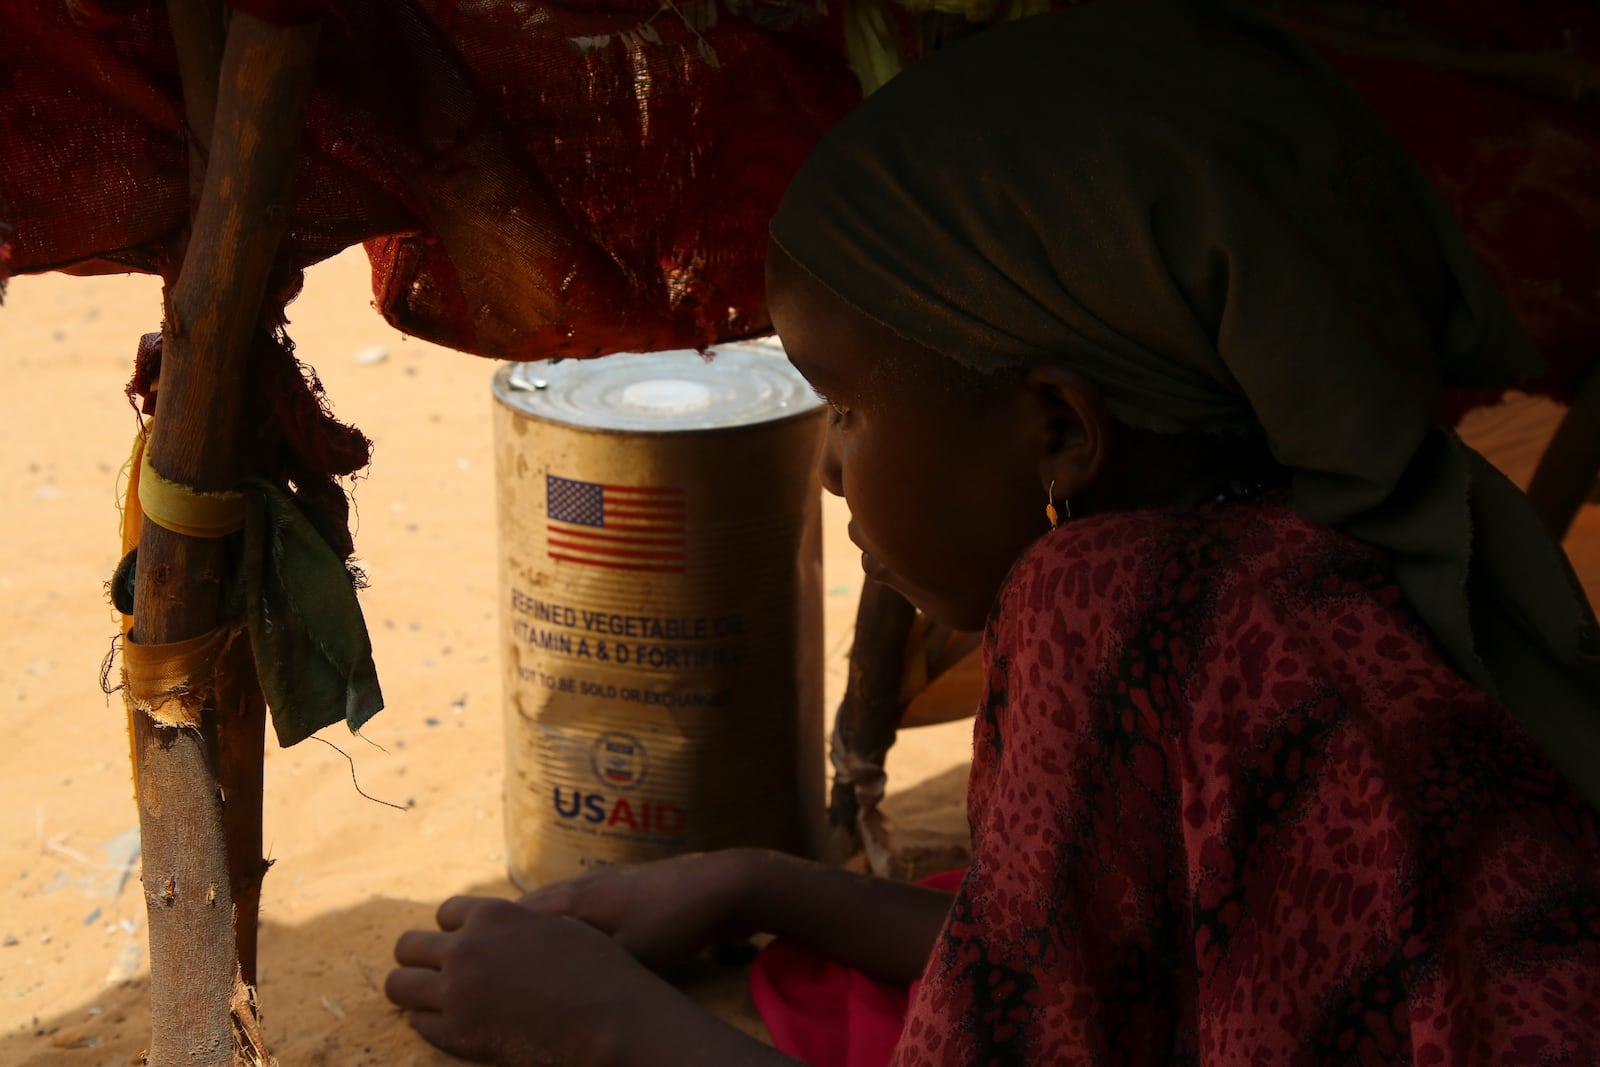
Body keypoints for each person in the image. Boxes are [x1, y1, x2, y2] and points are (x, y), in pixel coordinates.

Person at [385, 2, 1600, 1063]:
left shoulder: (1115, 604)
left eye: (850, 409)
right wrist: (758, 881)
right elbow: (1074, 956)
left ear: (1061, 431)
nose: (825, 469)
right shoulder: (1299, 549)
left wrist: (588, 1018)